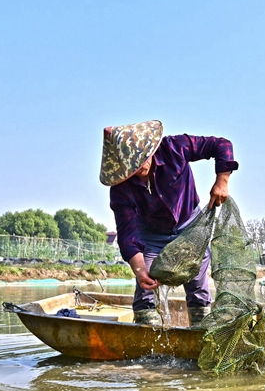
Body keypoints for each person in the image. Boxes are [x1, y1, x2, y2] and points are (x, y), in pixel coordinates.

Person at [100, 120, 238, 326]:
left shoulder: (175, 147)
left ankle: (198, 333)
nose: (137, 169)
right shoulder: (121, 189)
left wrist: (222, 181)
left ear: (150, 150)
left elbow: (221, 145)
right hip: (151, 234)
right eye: (130, 167)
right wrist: (139, 271)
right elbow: (127, 234)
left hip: (190, 226)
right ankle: (147, 338)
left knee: (198, 284)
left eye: (140, 161)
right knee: (146, 289)